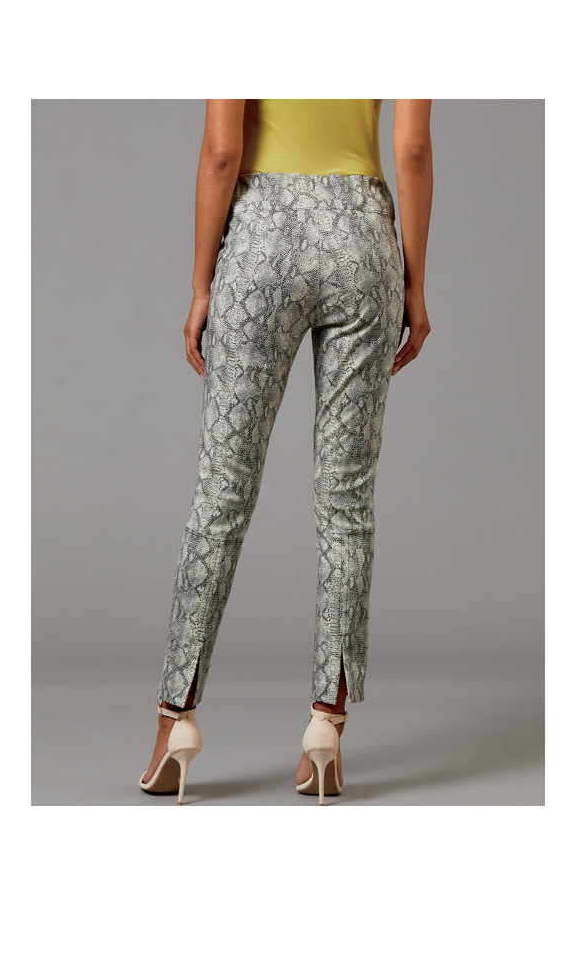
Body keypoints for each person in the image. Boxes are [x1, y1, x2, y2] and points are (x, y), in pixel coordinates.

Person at [138, 99, 432, 804]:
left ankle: (175, 718)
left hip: (260, 236)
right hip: (363, 236)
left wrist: (201, 283)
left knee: (223, 492)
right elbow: (413, 150)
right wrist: (414, 283)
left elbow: (221, 153)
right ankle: (326, 727)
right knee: (345, 499)